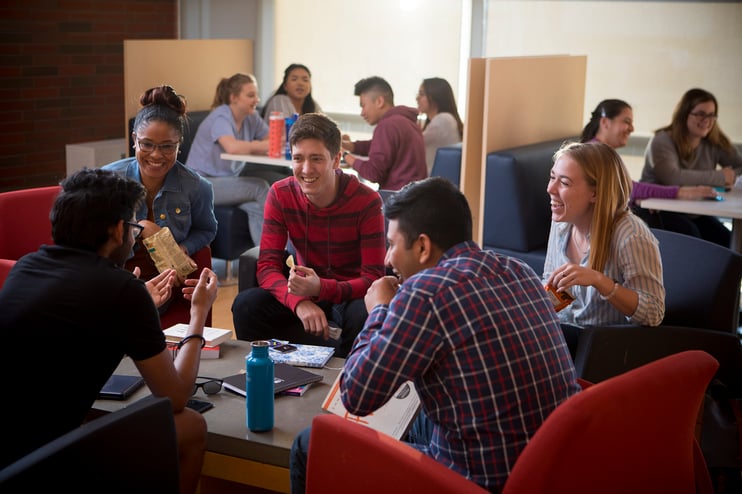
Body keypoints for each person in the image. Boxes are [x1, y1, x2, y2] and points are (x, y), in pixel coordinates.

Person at [288, 176, 580, 493]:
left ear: (423, 246)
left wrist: (380, 310)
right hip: (549, 470)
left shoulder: (425, 293)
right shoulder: (517, 270)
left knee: (312, 441)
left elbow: (356, 396)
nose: (386, 259)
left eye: (392, 245)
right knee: (413, 416)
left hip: (473, 480)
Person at [0, 168, 219, 494]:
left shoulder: (27, 267)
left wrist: (137, 301)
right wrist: (198, 315)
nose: (133, 237)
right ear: (119, 231)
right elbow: (175, 397)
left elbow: (75, 328)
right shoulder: (120, 291)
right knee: (191, 424)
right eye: (133, 228)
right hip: (38, 463)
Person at [231, 113, 386, 358]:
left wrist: (322, 288)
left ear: (336, 160)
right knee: (246, 305)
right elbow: (267, 267)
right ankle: (268, 376)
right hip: (306, 290)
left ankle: (344, 387)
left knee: (364, 314)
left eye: (316, 159)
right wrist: (299, 303)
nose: (305, 169)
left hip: (351, 292)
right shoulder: (280, 194)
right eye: (298, 158)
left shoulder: (366, 201)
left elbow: (373, 278)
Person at [103, 85, 217, 307]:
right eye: (146, 144)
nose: (156, 155)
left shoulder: (197, 186)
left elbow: (207, 229)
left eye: (167, 147)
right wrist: (143, 226)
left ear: (179, 145)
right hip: (115, 275)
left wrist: (183, 249)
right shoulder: (108, 179)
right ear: (134, 139)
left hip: (165, 281)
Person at [543, 141, 665, 328]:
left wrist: (601, 282)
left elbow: (653, 313)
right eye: (552, 178)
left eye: (565, 182)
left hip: (605, 348)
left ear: (596, 194)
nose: (550, 189)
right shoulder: (561, 223)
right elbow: (557, 295)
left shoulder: (631, 236)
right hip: (567, 338)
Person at [580, 99, 717, 228]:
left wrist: (635, 198)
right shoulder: (596, 152)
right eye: (627, 121)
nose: (632, 128)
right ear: (605, 123)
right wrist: (682, 192)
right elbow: (629, 188)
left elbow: (622, 189)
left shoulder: (598, 150)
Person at [639, 88, 742, 247]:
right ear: (685, 113)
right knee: (695, 241)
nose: (706, 120)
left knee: (728, 243)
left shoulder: (713, 141)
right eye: (700, 114)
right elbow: (673, 177)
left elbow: (740, 165)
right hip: (658, 210)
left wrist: (731, 175)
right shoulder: (662, 140)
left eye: (711, 115)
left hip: (695, 210)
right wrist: (721, 177)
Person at [186, 73, 276, 243]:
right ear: (234, 97)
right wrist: (261, 145)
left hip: (226, 182)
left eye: (256, 95)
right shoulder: (221, 117)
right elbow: (232, 147)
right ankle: (285, 251)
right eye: (250, 95)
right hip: (200, 184)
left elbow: (273, 139)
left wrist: (262, 144)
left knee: (257, 208)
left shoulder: (251, 116)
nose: (256, 99)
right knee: (260, 187)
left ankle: (267, 261)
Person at [341, 76, 427, 190]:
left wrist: (344, 156)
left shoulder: (387, 125)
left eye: (363, 106)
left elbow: (373, 173)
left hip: (397, 198)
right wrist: (350, 146)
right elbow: (380, 145)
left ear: (379, 101)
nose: (362, 113)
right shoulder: (404, 121)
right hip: (415, 194)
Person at [415, 77, 463, 174]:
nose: (417, 98)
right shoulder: (441, 119)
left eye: (422, 94)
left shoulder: (443, 120)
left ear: (435, 96)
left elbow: (413, 144)